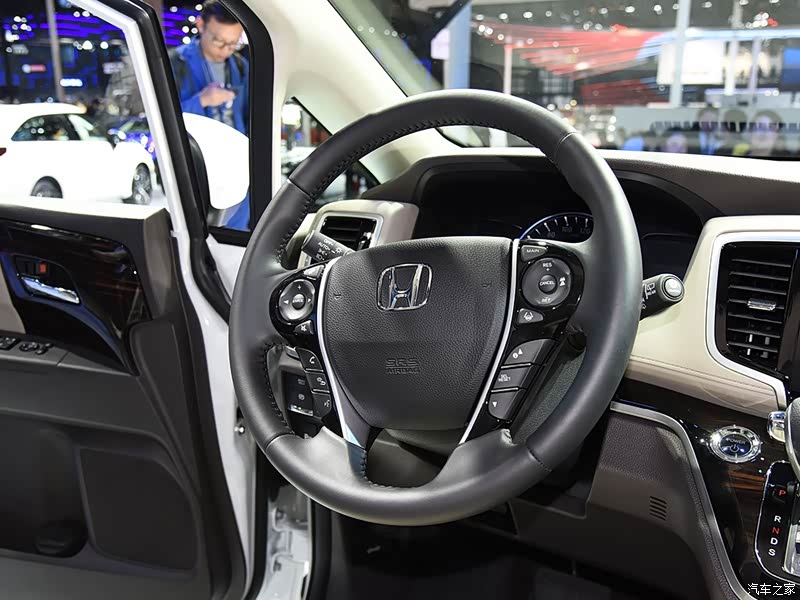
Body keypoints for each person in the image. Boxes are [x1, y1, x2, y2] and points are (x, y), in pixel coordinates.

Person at [170, 1, 250, 229]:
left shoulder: (240, 65)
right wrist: (201, 100)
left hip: (235, 163)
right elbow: (163, 119)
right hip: (197, 166)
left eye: (233, 43)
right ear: (201, 25)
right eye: (219, 41)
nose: (225, 50)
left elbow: (248, 114)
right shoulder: (175, 63)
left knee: (237, 230)